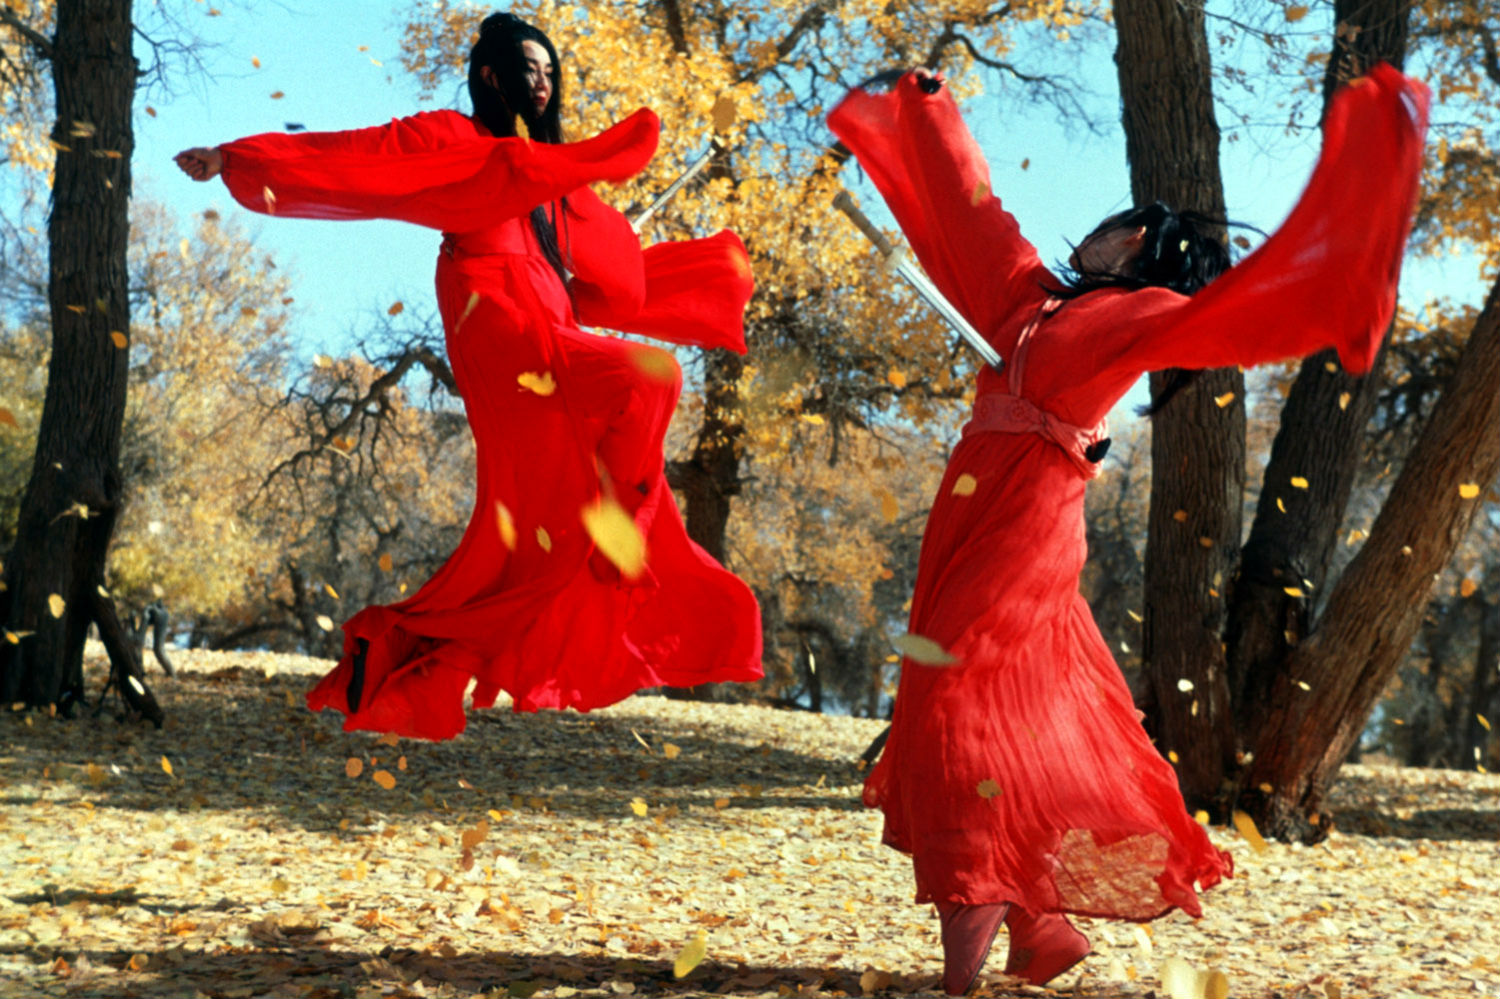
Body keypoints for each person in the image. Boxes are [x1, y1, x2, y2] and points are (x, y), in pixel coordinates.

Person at [828, 63, 1427, 995]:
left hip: (1027, 522)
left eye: (1132, 223)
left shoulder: (1138, 313)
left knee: (952, 705)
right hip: (965, 508)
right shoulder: (1022, 297)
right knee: (960, 708)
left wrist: (1335, 282)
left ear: (1149, 250)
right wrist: (929, 108)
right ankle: (1037, 924)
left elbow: (1223, 322)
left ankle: (973, 928)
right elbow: (973, 213)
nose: (1110, 225)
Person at [175, 12, 764, 740]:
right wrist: (238, 158)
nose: (543, 84)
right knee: (651, 375)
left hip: (553, 326)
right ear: (489, 76)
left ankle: (418, 657)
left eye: (552, 72)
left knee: (534, 549)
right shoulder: (456, 140)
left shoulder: (553, 181)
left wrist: (697, 270)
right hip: (498, 322)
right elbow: (358, 156)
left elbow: (613, 279)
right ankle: (620, 526)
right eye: (529, 69)